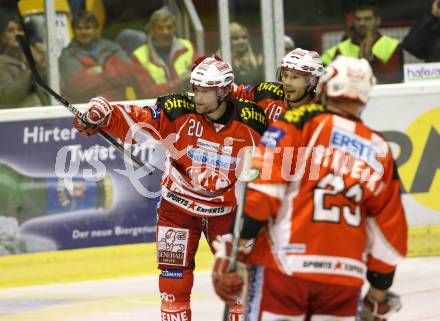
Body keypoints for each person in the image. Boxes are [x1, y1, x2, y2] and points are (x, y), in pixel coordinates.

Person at [212, 56, 408, 321]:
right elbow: (389, 235)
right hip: (343, 278)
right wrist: (378, 296)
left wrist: (234, 249)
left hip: (285, 268)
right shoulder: (379, 148)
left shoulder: (297, 123)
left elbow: (262, 195)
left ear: (324, 86)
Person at [72, 56, 267, 321]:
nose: (197, 96)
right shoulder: (177, 109)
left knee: (240, 287)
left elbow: (279, 160)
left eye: (205, 90)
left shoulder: (253, 122)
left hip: (226, 214)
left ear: (223, 91)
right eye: (195, 88)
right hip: (178, 208)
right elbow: (138, 120)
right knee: (173, 283)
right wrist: (105, 116)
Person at [59, 11, 136, 103]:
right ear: (74, 31)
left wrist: (102, 70)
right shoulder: (67, 55)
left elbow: (131, 73)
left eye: (88, 28)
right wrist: (114, 76)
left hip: (117, 108)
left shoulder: (111, 47)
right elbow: (75, 86)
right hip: (86, 110)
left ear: (96, 30)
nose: (83, 32)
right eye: (79, 28)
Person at [232, 48, 324, 125]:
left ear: (312, 81)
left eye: (295, 77)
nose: (287, 82)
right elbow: (234, 91)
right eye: (285, 75)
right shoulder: (268, 92)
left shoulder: (323, 111)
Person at [322, 3, 403, 84]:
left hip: (382, 94)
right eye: (358, 19)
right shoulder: (341, 48)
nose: (362, 23)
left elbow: (395, 79)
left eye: (367, 19)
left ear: (377, 21)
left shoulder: (392, 45)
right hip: (351, 95)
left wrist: (372, 60)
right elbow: (332, 80)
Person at [131, 7, 196, 98]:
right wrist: (178, 83)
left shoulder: (187, 47)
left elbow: (201, 77)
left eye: (169, 27)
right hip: (155, 106)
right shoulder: (139, 56)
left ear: (174, 28)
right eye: (160, 28)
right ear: (152, 30)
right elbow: (146, 92)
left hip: (186, 103)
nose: (165, 32)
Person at [0, 14, 49, 108]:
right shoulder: (1, 63)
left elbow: (60, 85)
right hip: (19, 115)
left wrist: (44, 62)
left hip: (44, 109)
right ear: (2, 38)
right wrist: (28, 71)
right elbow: (7, 95)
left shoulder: (34, 53)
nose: (17, 34)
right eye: (11, 31)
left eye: (20, 30)